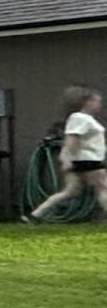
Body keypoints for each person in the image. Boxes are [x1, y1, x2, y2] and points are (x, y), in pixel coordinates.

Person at [30, 85, 107, 221]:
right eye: (96, 101)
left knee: (71, 191)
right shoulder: (80, 118)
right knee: (103, 187)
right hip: (88, 159)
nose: (99, 104)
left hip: (81, 159)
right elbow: (73, 138)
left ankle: (36, 214)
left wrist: (68, 159)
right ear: (86, 102)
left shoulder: (84, 118)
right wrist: (67, 158)